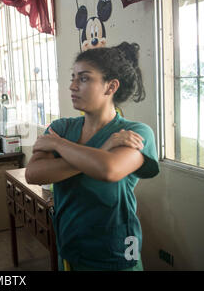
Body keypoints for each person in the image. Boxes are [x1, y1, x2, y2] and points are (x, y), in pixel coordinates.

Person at [25, 42, 160, 271]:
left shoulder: (135, 132)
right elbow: (33, 173)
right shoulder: (63, 126)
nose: (72, 86)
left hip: (116, 254)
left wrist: (58, 144)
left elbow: (108, 170)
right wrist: (104, 148)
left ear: (110, 87)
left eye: (84, 78)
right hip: (70, 248)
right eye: (73, 77)